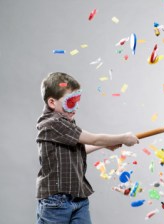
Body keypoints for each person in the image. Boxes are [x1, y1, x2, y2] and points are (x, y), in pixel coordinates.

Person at [36, 72, 139, 224]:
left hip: (78, 197)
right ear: (52, 102)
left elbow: (80, 149)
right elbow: (94, 138)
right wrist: (123, 137)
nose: (76, 107)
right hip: (56, 201)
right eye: (70, 102)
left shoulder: (65, 122)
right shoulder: (52, 123)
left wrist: (105, 144)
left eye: (77, 101)